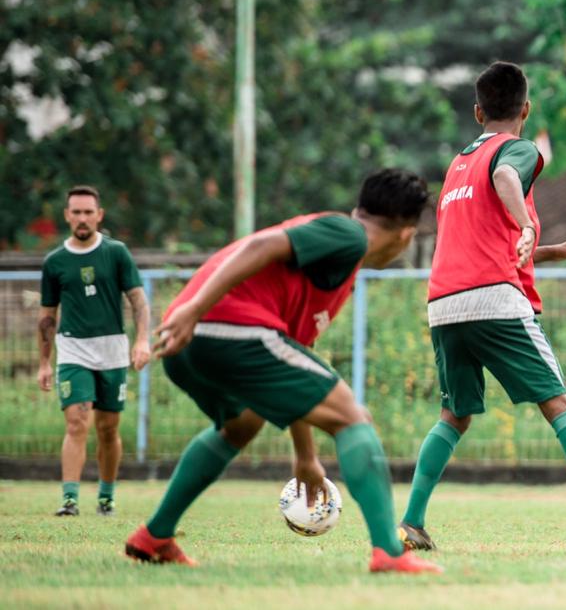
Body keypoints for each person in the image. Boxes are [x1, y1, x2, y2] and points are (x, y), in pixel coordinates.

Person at [124, 169, 440, 574]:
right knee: (353, 418)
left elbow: (294, 364)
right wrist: (196, 309)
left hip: (196, 342)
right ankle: (390, 554)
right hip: (223, 327)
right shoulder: (350, 235)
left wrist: (306, 457)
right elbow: (264, 243)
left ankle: (155, 536)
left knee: (243, 423)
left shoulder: (341, 267)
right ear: (405, 234)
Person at [397, 61, 566, 557]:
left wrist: (549, 248)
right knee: (559, 405)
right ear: (526, 110)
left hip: (444, 302)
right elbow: (509, 177)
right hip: (494, 298)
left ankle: (411, 522)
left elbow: (488, 238)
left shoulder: (457, 164)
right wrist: (529, 225)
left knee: (453, 414)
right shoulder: (516, 148)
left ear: (477, 112)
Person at [37, 185, 151, 517]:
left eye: (89, 212)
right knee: (76, 421)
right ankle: (70, 499)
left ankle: (106, 497)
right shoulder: (55, 262)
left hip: (112, 350)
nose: (83, 218)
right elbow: (47, 316)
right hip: (72, 350)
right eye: (77, 212)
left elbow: (139, 302)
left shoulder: (116, 253)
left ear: (99, 215)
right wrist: (44, 362)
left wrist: (142, 340)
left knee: (108, 428)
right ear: (66, 215)